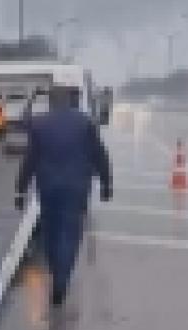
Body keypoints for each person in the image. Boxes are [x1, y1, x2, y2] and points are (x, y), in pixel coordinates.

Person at [14, 86, 114, 306]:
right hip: (76, 188)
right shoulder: (86, 123)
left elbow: (29, 159)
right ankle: (61, 281)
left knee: (50, 232)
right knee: (69, 234)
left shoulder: (40, 124)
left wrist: (20, 190)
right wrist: (107, 184)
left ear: (51, 102)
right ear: (71, 101)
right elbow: (100, 155)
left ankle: (54, 269)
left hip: (48, 187)